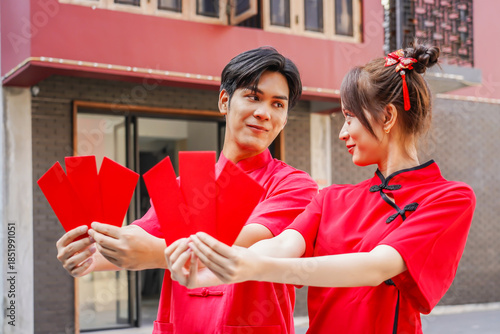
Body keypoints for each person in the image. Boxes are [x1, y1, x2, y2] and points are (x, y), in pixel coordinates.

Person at [166, 42, 476, 334]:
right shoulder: (330, 198)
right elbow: (281, 246)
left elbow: (375, 266)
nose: (342, 133)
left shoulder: (449, 198)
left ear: (387, 117)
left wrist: (253, 267)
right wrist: (217, 267)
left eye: (349, 117)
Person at [56, 46, 318, 333]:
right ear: (224, 101)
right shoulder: (184, 185)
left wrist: (156, 253)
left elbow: (248, 244)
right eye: (253, 97)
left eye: (277, 104)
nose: (264, 113)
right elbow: (138, 236)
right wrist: (89, 255)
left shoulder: (293, 185)